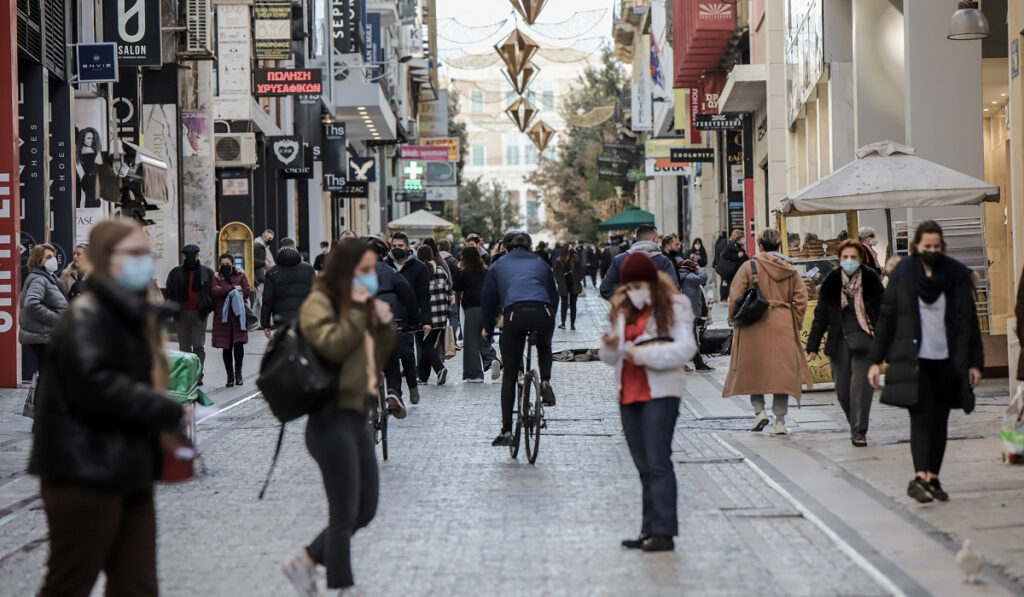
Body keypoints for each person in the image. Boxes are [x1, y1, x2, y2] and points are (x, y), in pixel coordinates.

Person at [29, 218, 185, 597]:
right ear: (105, 259)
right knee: (69, 582)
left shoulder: (128, 314)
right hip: (83, 470)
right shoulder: (86, 315)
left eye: (145, 253)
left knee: (137, 585)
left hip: (130, 466)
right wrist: (160, 407)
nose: (143, 261)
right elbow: (94, 385)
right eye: (133, 254)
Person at [284, 239, 396, 595]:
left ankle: (304, 561)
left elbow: (379, 355)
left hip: (357, 414)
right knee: (344, 511)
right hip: (329, 419)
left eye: (372, 270)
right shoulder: (319, 303)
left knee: (366, 508)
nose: (370, 277)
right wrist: (363, 314)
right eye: (363, 271)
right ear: (345, 271)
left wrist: (383, 323)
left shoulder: (360, 303)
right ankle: (344, 586)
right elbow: (330, 345)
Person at [867, 221, 983, 504]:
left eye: (935, 247)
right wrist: (875, 360)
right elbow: (887, 318)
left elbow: (970, 322)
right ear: (916, 245)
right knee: (920, 418)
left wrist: (975, 363)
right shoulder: (903, 274)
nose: (931, 251)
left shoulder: (956, 274)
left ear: (941, 246)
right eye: (926, 246)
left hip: (947, 361)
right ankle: (920, 476)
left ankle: (933, 477)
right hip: (913, 360)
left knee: (940, 420)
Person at [599, 252, 696, 553]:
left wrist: (644, 355)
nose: (633, 290)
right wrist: (610, 347)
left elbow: (686, 348)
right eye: (628, 285)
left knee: (657, 461)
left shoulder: (675, 304)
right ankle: (648, 528)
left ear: (652, 280)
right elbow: (611, 357)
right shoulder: (623, 308)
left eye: (639, 283)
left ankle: (664, 532)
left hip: (661, 391)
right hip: (628, 390)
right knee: (643, 465)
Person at [722, 228, 812, 436]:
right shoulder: (790, 268)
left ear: (760, 246)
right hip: (782, 323)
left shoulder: (749, 266)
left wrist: (733, 318)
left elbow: (735, 296)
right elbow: (801, 299)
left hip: (754, 323)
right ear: (779, 246)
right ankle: (780, 421)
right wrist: (794, 321)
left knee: (755, 370)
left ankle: (759, 412)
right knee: (783, 374)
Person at [481, 231, 558, 447]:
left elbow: (488, 300)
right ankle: (544, 381)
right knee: (544, 346)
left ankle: (506, 430)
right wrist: (551, 315)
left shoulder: (498, 265)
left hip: (515, 313)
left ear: (505, 248)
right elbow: (553, 294)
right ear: (530, 247)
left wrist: (487, 328)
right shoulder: (541, 262)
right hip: (543, 311)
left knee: (511, 374)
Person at [806, 240, 884, 446]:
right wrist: (813, 345)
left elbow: (883, 314)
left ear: (860, 259)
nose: (849, 261)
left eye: (854, 257)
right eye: (845, 257)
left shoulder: (871, 279)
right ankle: (854, 423)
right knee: (842, 391)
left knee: (861, 388)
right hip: (839, 342)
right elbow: (820, 314)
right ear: (839, 259)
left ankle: (860, 431)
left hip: (866, 341)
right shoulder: (832, 281)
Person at [365, 236, 417, 419]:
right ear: (384, 254)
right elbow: (409, 297)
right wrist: (413, 322)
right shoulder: (391, 273)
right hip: (387, 324)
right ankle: (394, 391)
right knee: (391, 360)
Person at [387, 232, 430, 405]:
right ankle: (395, 393)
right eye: (394, 246)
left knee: (406, 353)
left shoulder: (418, 267)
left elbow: (424, 296)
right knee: (390, 357)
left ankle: (412, 385)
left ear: (407, 246)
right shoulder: (384, 265)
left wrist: (425, 320)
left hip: (407, 319)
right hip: (387, 317)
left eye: (400, 246)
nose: (397, 249)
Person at [164, 244, 214, 384]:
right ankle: (187, 375)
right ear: (184, 257)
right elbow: (169, 292)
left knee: (198, 345)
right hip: (181, 314)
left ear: (198, 256)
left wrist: (208, 308)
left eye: (195, 255)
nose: (192, 258)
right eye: (188, 256)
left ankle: (198, 374)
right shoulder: (175, 273)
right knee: (184, 347)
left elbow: (212, 292)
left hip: (200, 314)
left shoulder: (207, 272)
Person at [19, 244, 68, 373]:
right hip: (42, 336)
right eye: (49, 257)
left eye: (54, 256)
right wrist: (56, 319)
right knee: (49, 375)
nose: (53, 260)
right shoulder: (39, 280)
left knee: (49, 375)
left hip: (46, 336)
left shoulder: (49, 279)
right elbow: (32, 304)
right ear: (39, 260)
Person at [455, 246, 500, 383]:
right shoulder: (486, 271)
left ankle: (474, 374)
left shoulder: (465, 272)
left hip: (472, 309)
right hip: (488, 308)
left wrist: (458, 269)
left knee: (471, 342)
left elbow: (456, 287)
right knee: (484, 339)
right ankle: (492, 361)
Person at [600, 225, 680, 300]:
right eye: (657, 239)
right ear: (653, 239)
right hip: (656, 312)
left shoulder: (619, 260)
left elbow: (605, 289)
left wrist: (624, 303)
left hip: (628, 313)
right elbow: (674, 289)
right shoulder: (663, 261)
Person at [261, 238, 316, 336]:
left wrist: (265, 324)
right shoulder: (308, 269)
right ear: (295, 248)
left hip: (281, 319)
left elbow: (267, 300)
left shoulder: (272, 272)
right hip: (304, 317)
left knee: (284, 347)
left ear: (280, 249)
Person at [211, 253, 250, 388]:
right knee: (226, 347)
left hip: (238, 317)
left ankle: (238, 374)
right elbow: (215, 292)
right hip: (224, 317)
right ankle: (230, 376)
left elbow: (246, 291)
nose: (225, 266)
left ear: (233, 264)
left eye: (228, 264)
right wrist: (233, 288)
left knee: (239, 346)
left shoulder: (241, 275)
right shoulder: (216, 277)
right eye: (223, 264)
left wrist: (226, 289)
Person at [415, 245, 451, 386]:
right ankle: (423, 377)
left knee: (425, 346)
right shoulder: (441, 270)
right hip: (441, 315)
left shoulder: (418, 271)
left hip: (425, 316)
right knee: (428, 346)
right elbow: (448, 291)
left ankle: (439, 368)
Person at [678, 258, 713, 372]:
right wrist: (700, 268)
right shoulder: (689, 277)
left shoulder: (684, 277)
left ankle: (697, 363)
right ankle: (698, 364)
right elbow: (703, 278)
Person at [553, 244, 584, 330]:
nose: (571, 248)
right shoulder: (559, 259)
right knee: (564, 304)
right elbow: (555, 271)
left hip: (574, 283)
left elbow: (581, 269)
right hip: (563, 284)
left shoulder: (576, 258)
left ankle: (572, 324)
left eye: (572, 247)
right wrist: (558, 281)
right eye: (569, 247)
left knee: (573, 304)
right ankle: (563, 323)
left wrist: (579, 279)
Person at [714, 229, 748, 303]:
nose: (744, 239)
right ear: (738, 238)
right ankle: (732, 300)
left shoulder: (738, 246)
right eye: (743, 237)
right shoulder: (732, 245)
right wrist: (736, 256)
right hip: (733, 271)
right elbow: (724, 254)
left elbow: (743, 257)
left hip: (737, 271)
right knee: (732, 286)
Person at [252, 229, 275, 315]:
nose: (271, 240)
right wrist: (264, 263)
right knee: (264, 300)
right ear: (264, 237)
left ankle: (253, 322)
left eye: (272, 238)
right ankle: (270, 321)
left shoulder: (264, 247)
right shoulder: (257, 246)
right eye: (269, 238)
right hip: (258, 278)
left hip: (262, 277)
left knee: (258, 302)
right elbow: (251, 260)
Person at [711, 231, 728, 302]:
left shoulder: (718, 242)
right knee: (725, 281)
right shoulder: (725, 242)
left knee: (723, 281)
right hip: (725, 265)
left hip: (719, 265)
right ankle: (724, 297)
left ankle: (723, 297)